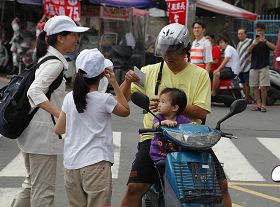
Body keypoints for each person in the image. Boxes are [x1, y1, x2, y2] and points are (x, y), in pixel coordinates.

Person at [120, 23, 232, 207]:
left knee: (221, 186)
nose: (167, 55)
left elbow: (201, 111)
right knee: (134, 188)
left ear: (185, 49)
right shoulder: (148, 71)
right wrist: (126, 82)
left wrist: (173, 107)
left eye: (172, 50)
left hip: (191, 139)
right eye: (164, 50)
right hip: (155, 136)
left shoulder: (200, 74)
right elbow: (126, 99)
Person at [12, 16, 89, 207]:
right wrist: (60, 114)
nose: (76, 39)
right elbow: (34, 92)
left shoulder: (48, 58)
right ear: (60, 38)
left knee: (31, 185)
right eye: (73, 35)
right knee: (43, 192)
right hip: (41, 136)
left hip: (33, 133)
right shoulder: (55, 63)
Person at [53, 48, 130, 207]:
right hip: (96, 164)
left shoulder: (69, 97)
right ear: (103, 74)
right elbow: (126, 110)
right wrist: (114, 83)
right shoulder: (104, 99)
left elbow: (59, 129)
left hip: (71, 166)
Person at [149, 87, 191, 162]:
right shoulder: (159, 117)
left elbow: (189, 126)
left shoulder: (181, 119)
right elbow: (154, 126)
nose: (159, 104)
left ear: (174, 107)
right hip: (159, 155)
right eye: (159, 101)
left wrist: (192, 125)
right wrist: (163, 122)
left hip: (177, 155)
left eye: (163, 102)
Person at [247, 22, 276, 112]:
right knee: (255, 87)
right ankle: (258, 104)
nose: (258, 32)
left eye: (260, 30)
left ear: (264, 31)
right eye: (257, 30)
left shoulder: (267, 39)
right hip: (254, 66)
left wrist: (265, 41)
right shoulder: (253, 40)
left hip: (264, 66)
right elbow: (248, 51)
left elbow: (274, 48)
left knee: (263, 87)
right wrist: (254, 43)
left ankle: (264, 105)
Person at [236, 28, 253, 103]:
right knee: (242, 83)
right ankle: (246, 97)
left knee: (247, 83)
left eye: (241, 33)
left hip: (247, 66)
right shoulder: (239, 43)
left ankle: (247, 98)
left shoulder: (250, 41)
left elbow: (254, 49)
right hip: (240, 66)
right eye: (239, 34)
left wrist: (251, 56)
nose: (240, 35)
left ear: (246, 34)